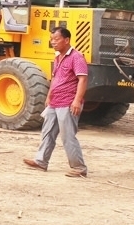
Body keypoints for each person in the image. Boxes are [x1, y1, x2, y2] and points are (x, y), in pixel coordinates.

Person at [23, 25, 89, 178]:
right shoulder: (58, 57)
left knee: (68, 136)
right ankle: (41, 161)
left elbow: (83, 79)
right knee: (47, 132)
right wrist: (49, 96)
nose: (53, 42)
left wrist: (77, 101)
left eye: (56, 39)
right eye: (51, 39)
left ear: (66, 40)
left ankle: (79, 168)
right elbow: (55, 79)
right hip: (55, 102)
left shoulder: (77, 57)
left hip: (68, 102)